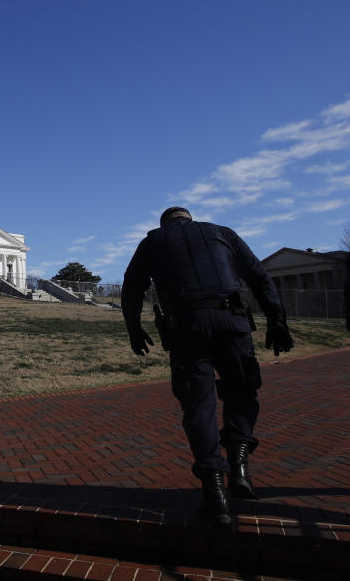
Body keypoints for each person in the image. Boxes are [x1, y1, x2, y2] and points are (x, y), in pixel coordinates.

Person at [121, 207, 294, 526]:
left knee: (199, 406)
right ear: (190, 218)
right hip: (232, 322)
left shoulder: (153, 242)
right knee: (242, 391)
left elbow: (132, 287)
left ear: (164, 223)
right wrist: (276, 319)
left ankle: (215, 492)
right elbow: (258, 275)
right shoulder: (222, 233)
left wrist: (134, 328)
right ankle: (239, 465)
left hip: (186, 328)